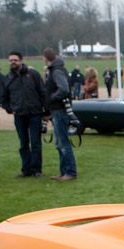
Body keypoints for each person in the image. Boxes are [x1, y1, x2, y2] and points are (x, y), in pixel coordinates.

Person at [0, 51, 46, 177]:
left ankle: (37, 169)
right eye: (10, 60)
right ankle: (26, 169)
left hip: (34, 113)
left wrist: (45, 111)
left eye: (15, 60)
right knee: (23, 143)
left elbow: (42, 92)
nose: (13, 62)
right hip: (19, 114)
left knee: (36, 143)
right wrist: (10, 109)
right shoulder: (8, 78)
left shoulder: (32, 74)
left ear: (21, 60)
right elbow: (3, 98)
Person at [42, 47, 78, 181]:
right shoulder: (59, 69)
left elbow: (64, 89)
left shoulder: (56, 71)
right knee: (59, 143)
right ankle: (63, 171)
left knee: (63, 143)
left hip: (59, 110)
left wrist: (52, 97)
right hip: (57, 110)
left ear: (45, 58)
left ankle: (69, 172)